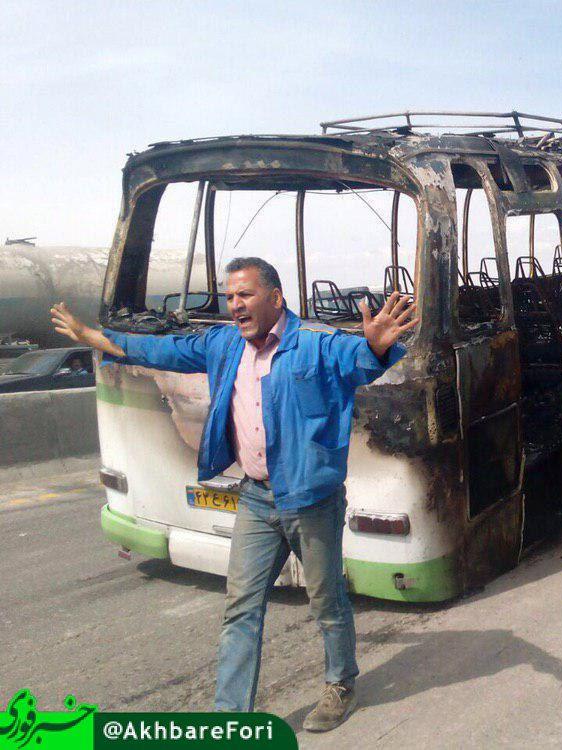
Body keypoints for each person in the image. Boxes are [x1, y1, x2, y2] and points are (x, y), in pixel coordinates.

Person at [50, 257, 417, 731]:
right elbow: (160, 350)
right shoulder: (222, 344)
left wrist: (376, 347)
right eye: (229, 296)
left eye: (244, 295)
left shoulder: (315, 345)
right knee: (241, 607)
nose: (234, 304)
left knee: (327, 602)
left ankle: (341, 682)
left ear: (275, 298)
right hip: (257, 498)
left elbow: (359, 360)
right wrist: (93, 338)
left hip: (312, 500)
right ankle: (230, 720)